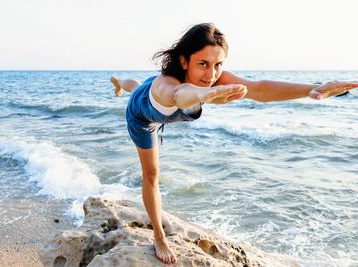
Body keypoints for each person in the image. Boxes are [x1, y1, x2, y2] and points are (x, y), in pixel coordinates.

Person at [110, 23, 358, 264]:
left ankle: (122, 83)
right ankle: (159, 236)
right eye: (203, 64)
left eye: (218, 65)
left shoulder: (215, 78)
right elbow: (178, 95)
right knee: (151, 173)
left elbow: (258, 89)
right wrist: (200, 95)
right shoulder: (168, 84)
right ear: (184, 61)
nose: (211, 75)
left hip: (157, 100)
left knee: (135, 86)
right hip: (142, 117)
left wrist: (314, 89)